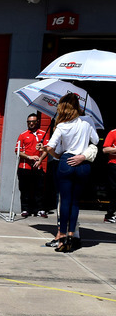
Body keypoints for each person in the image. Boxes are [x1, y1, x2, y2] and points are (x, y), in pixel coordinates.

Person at [37, 93, 99, 253]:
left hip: (66, 162)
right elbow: (96, 140)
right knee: (75, 202)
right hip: (82, 163)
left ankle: (62, 236)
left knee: (64, 201)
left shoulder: (62, 126)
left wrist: (55, 154)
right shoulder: (87, 121)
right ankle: (72, 235)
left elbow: (51, 147)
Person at [15, 113, 47, 218]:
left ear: (37, 122)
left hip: (38, 166)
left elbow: (47, 149)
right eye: (29, 122)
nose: (31, 124)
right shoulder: (23, 135)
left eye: (33, 122)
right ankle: (25, 209)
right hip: (24, 167)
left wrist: (40, 160)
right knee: (24, 189)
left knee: (39, 189)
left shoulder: (43, 134)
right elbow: (17, 151)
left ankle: (40, 209)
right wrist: (29, 157)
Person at [102, 126, 116, 223]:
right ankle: (109, 215)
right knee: (115, 190)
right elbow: (105, 149)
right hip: (114, 164)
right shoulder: (113, 133)